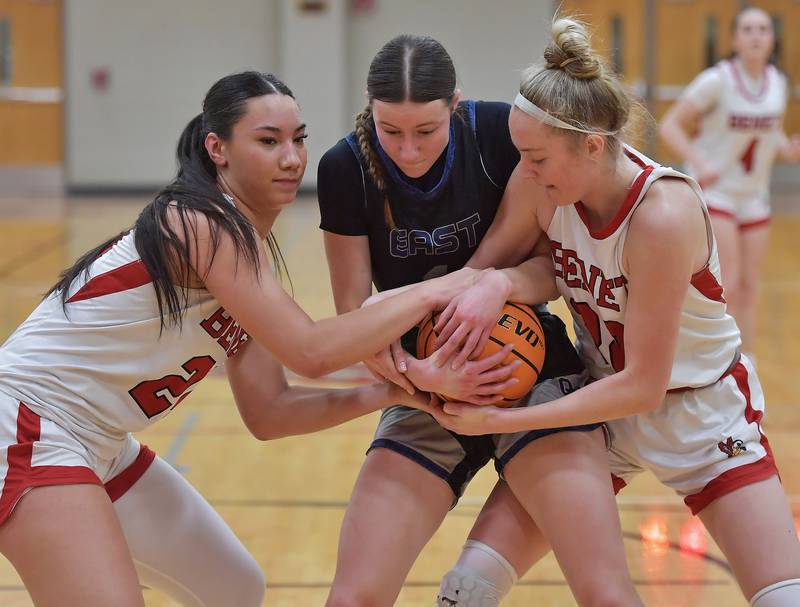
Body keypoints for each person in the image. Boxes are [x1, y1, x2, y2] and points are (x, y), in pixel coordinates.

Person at [0, 71, 479, 607]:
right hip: (27, 426)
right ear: (217, 149)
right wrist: (450, 283)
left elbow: (270, 412)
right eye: (268, 141)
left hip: (102, 443)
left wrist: (395, 392)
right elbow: (312, 351)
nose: (292, 158)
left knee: (233, 587)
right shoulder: (199, 223)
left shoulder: (244, 249)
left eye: (299, 139)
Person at [430, 17, 800, 607]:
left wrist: (498, 423)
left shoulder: (661, 213)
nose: (522, 172)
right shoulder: (541, 187)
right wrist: (478, 292)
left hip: (699, 413)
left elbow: (644, 386)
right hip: (597, 406)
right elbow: (473, 275)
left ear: (593, 145)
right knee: (467, 587)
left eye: (535, 157)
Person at [318, 35, 642, 607]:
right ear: (369, 108)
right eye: (391, 131)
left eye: (426, 131)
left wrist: (500, 283)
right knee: (355, 596)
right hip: (424, 381)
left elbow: (554, 268)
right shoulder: (344, 167)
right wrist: (424, 379)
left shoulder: (500, 135)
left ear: (457, 106)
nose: (409, 149)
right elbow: (352, 321)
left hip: (531, 361)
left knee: (605, 592)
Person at [660, 6, 800, 358]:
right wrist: (699, 161)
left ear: (772, 39)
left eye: (763, 29)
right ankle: (719, 362)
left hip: (755, 196)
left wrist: (787, 147)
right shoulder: (716, 80)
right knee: (730, 285)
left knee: (751, 287)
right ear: (735, 38)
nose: (756, 35)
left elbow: (769, 133)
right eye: (748, 29)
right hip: (717, 192)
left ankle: (746, 366)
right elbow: (670, 126)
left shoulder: (778, 82)